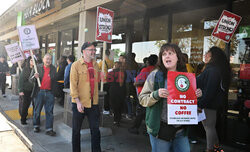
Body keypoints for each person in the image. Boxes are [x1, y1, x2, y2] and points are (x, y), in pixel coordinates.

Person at [139, 43, 202, 152]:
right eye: (164, 54)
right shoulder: (155, 75)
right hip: (161, 130)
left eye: (170, 53)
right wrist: (156, 94)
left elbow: (190, 104)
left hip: (181, 130)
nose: (167, 56)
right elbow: (142, 99)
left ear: (178, 57)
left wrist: (196, 96)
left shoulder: (186, 76)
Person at [197, 47, 231, 152]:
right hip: (209, 103)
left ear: (213, 56)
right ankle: (217, 148)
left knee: (209, 127)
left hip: (208, 104)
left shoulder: (213, 70)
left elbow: (210, 91)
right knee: (210, 127)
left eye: (207, 54)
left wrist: (201, 104)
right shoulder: (213, 69)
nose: (205, 56)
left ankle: (210, 149)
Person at [70, 42, 101, 152]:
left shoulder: (96, 65)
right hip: (79, 103)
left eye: (94, 50)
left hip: (93, 103)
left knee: (95, 130)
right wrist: (77, 102)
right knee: (76, 131)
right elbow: (73, 85)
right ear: (83, 51)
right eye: (90, 50)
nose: (93, 52)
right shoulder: (76, 65)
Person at [128, 54, 158, 134]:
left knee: (141, 112)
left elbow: (137, 83)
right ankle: (147, 129)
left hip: (144, 94)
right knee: (149, 112)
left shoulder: (146, 70)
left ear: (148, 62)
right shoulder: (158, 70)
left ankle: (136, 128)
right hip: (155, 95)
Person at [30, 54, 57, 136]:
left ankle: (49, 129)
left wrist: (54, 93)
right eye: (47, 59)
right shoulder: (37, 67)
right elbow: (30, 79)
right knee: (37, 111)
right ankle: (36, 125)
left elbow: (55, 81)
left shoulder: (53, 68)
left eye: (50, 59)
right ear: (43, 59)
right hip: (39, 92)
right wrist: (35, 77)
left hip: (49, 93)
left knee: (49, 112)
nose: (48, 61)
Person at [108, 61, 125, 126]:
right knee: (120, 105)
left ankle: (116, 119)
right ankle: (118, 118)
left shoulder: (111, 73)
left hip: (113, 90)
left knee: (114, 105)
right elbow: (122, 83)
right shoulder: (124, 73)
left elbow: (108, 81)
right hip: (121, 91)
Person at [18, 57, 34, 125]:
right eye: (31, 60)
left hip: (33, 90)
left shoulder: (36, 69)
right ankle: (23, 119)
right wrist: (20, 90)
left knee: (30, 105)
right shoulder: (25, 69)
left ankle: (26, 116)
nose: (33, 61)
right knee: (25, 105)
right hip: (25, 90)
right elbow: (21, 80)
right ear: (28, 61)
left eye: (34, 60)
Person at [98, 49, 114, 115]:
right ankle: (109, 109)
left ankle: (105, 109)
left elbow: (97, 70)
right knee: (109, 96)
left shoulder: (102, 62)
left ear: (104, 54)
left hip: (103, 81)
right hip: (111, 81)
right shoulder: (112, 61)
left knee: (104, 96)